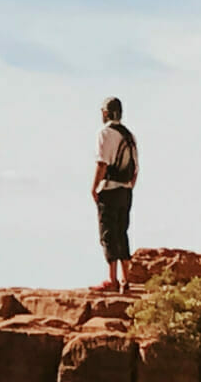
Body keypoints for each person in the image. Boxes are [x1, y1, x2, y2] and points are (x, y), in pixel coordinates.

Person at [90, 97, 138, 292]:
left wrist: (94, 188)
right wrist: (128, 186)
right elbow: (136, 168)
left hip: (109, 188)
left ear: (106, 113)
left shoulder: (105, 133)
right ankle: (125, 279)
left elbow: (102, 163)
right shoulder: (129, 135)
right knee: (122, 231)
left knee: (108, 233)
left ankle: (112, 280)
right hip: (126, 190)